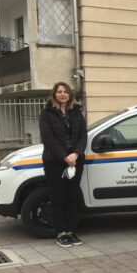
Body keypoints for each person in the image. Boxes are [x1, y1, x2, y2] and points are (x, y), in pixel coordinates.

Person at [39, 82, 87, 248]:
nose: (62, 94)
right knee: (57, 197)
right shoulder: (47, 113)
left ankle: (71, 231)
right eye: (59, 91)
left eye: (65, 91)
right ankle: (60, 233)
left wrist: (76, 153)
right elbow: (48, 138)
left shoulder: (77, 112)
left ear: (70, 94)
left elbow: (83, 136)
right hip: (55, 162)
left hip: (75, 161)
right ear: (54, 94)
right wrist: (65, 156)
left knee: (72, 197)